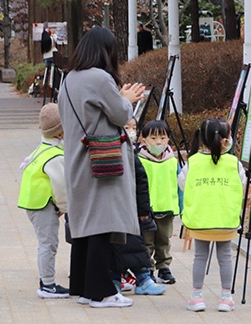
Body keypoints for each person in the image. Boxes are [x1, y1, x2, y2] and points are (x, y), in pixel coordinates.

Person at [57, 26, 145, 308]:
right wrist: (127, 99)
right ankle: (101, 292)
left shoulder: (69, 78)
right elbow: (120, 114)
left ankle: (83, 287)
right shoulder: (100, 77)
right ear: (106, 52)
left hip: (78, 159)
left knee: (85, 224)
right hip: (102, 161)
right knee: (103, 224)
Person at [178, 117, 246, 312]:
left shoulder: (193, 162)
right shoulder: (234, 163)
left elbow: (182, 183)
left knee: (200, 256)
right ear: (226, 139)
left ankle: (197, 297)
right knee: (225, 256)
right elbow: (242, 185)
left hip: (200, 219)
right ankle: (226, 298)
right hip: (226, 219)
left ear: (203, 138)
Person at [109, 117, 167, 297]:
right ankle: (116, 281)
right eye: (127, 127)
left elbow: (142, 186)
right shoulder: (117, 148)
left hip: (131, 209)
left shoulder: (131, 154)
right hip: (113, 208)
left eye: (134, 127)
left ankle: (143, 278)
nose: (131, 131)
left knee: (135, 244)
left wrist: (143, 213)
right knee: (114, 247)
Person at [17, 103, 70, 299]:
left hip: (34, 203)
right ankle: (47, 285)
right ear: (59, 133)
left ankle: (47, 282)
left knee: (46, 243)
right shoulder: (55, 156)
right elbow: (61, 187)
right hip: (43, 205)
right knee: (48, 244)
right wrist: (65, 208)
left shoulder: (42, 148)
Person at [137, 120, 180, 284]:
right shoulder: (140, 160)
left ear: (168, 139)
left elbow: (179, 185)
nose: (158, 142)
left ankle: (164, 267)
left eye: (162, 138)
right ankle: (147, 269)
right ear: (144, 139)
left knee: (164, 241)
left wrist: (180, 207)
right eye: (153, 138)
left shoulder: (172, 161)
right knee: (147, 242)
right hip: (147, 210)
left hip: (167, 208)